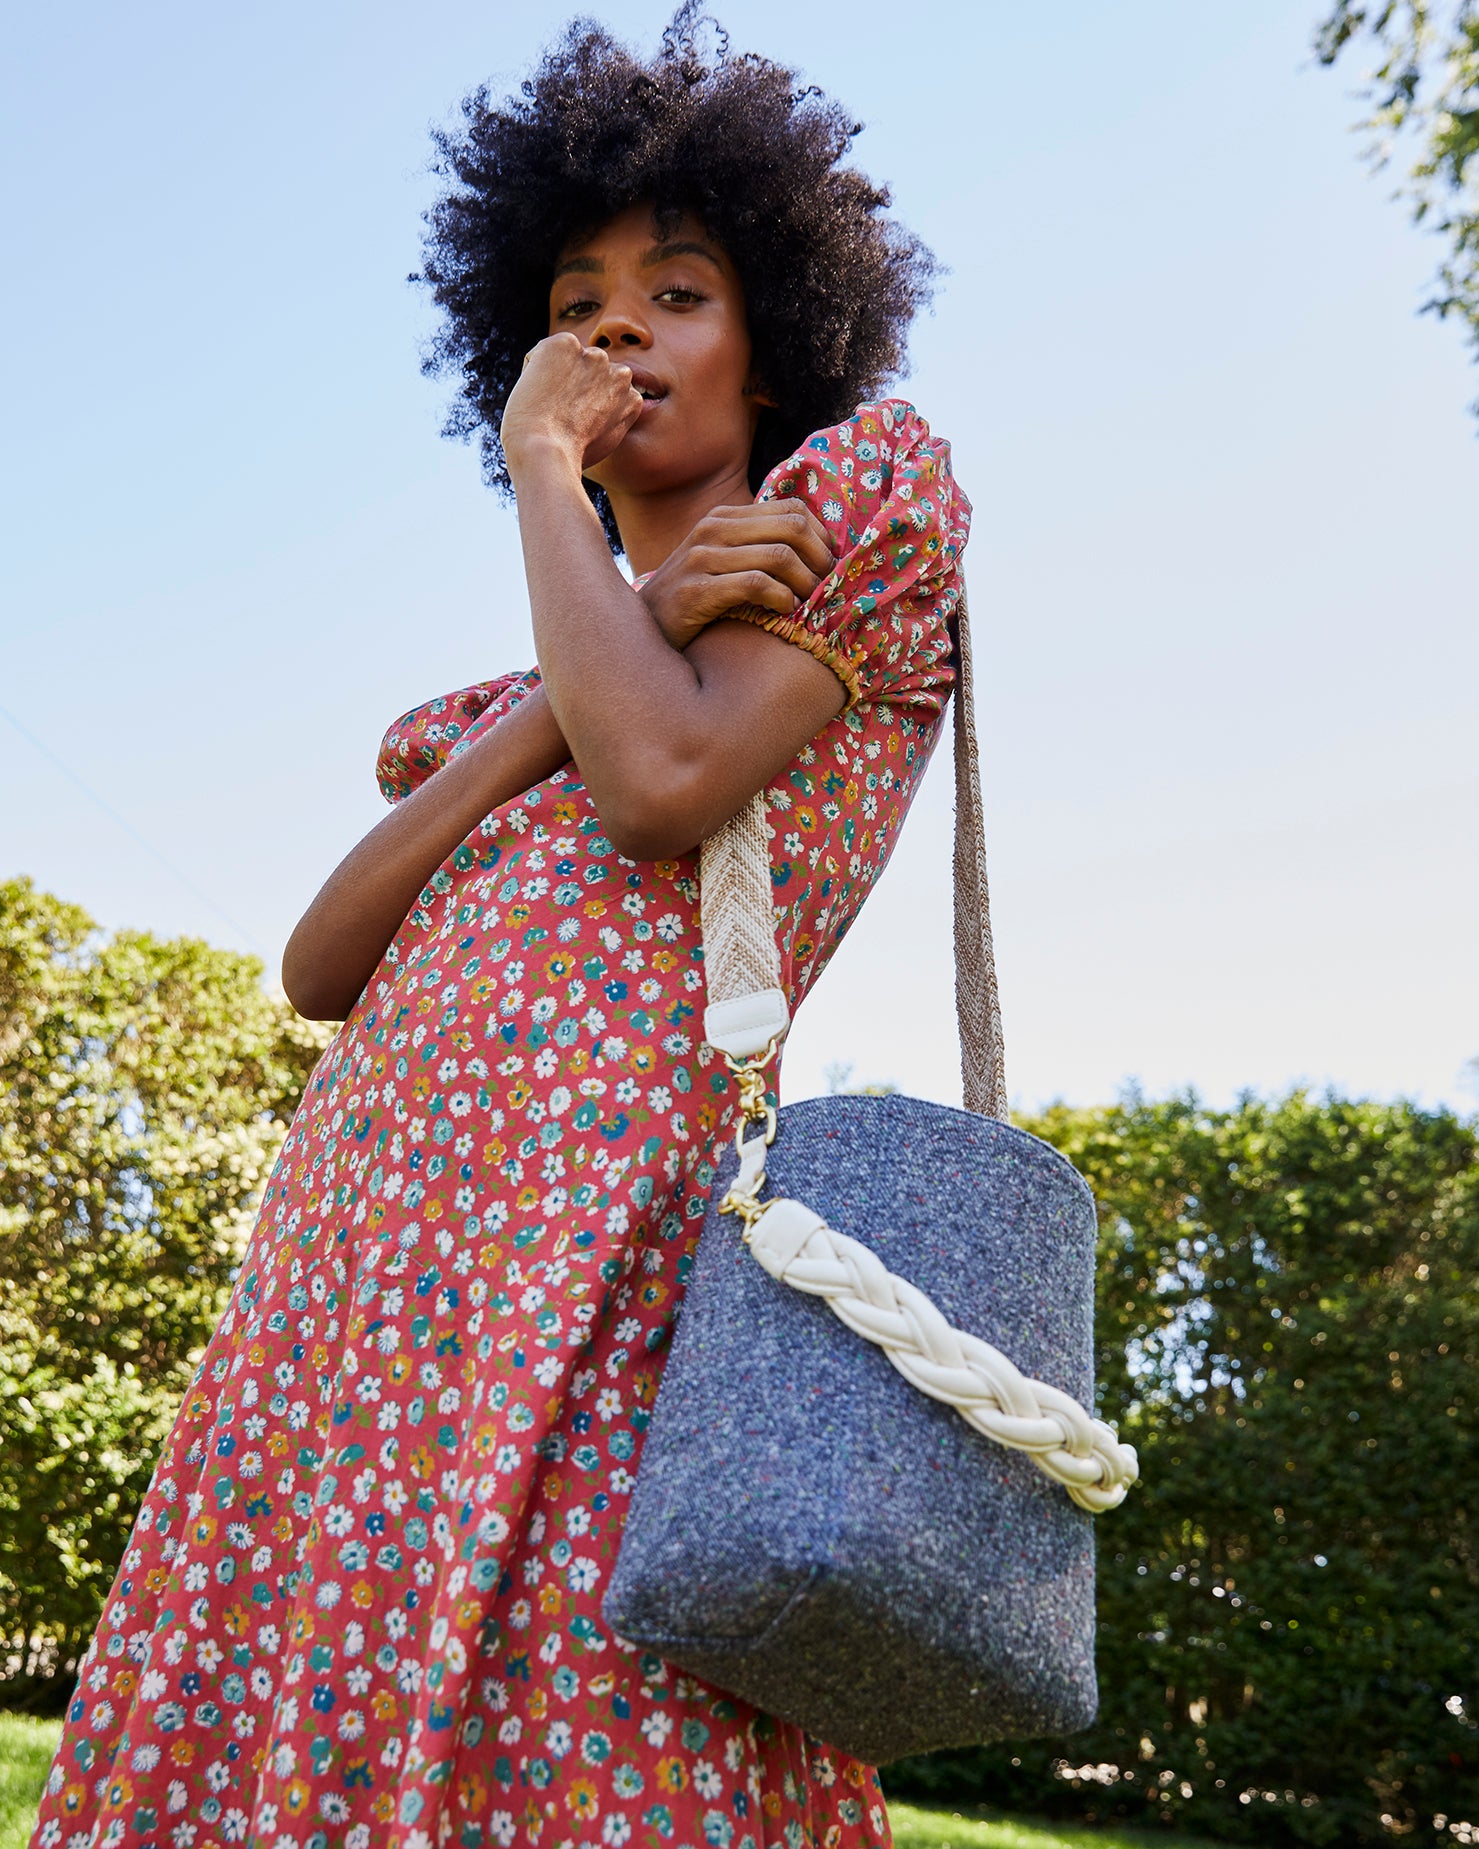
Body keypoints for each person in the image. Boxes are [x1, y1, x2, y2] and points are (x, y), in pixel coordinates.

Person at [32, 12, 970, 1849]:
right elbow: (317, 966)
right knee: (309, 1658)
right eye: (578, 299)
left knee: (584, 1703)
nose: (619, 325)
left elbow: (664, 773)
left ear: (776, 341)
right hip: (363, 1250)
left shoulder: (863, 505)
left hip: (605, 1248)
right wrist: (553, 687)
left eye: (680, 290)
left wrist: (550, 476)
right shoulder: (495, 703)